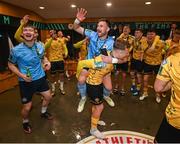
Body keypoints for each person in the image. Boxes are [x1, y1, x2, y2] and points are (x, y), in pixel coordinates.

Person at [8, 24, 53, 134]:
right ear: (23, 34)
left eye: (30, 30)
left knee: (48, 97)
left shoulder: (40, 46)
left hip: (41, 78)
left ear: (34, 34)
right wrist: (22, 76)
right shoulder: (16, 50)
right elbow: (10, 65)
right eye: (25, 30)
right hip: (26, 81)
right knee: (27, 108)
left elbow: (43, 57)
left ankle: (43, 112)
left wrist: (46, 62)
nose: (28, 32)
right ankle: (25, 121)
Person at [73, 8, 116, 112]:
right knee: (81, 80)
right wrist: (77, 20)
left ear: (107, 29)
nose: (98, 28)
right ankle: (83, 98)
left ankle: (106, 96)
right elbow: (76, 28)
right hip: (89, 63)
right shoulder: (92, 34)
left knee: (109, 88)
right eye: (98, 26)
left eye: (101, 26)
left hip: (103, 67)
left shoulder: (112, 41)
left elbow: (118, 55)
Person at [86, 39, 128, 139]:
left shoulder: (112, 54)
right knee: (99, 107)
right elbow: (99, 62)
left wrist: (108, 85)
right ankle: (93, 129)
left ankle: (95, 119)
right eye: (126, 53)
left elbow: (122, 61)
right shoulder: (103, 58)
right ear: (118, 52)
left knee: (96, 106)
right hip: (93, 84)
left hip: (100, 80)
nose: (127, 55)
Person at [154, 31, 180, 142]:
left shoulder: (172, 59)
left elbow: (158, 87)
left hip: (175, 118)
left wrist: (173, 81)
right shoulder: (168, 43)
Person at [45, 30, 68, 96]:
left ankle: (61, 88)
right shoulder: (48, 40)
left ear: (56, 34)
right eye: (51, 33)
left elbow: (65, 47)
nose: (53, 34)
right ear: (50, 34)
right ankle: (53, 89)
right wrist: (51, 39)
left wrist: (66, 53)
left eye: (54, 33)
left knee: (61, 75)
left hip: (60, 60)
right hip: (52, 61)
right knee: (52, 76)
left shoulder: (60, 40)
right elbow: (45, 47)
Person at [113, 25, 134, 96]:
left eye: (127, 29)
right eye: (124, 28)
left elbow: (131, 48)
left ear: (129, 30)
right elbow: (115, 47)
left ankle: (122, 87)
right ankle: (116, 85)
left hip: (125, 59)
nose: (125, 29)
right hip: (118, 59)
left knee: (124, 75)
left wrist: (125, 55)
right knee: (116, 74)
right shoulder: (118, 38)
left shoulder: (132, 39)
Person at [129, 28, 148, 96]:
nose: (136, 34)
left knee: (138, 75)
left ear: (141, 34)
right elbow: (131, 47)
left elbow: (143, 49)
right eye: (135, 32)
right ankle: (133, 85)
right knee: (131, 73)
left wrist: (141, 59)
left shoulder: (144, 40)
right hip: (134, 59)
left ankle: (138, 88)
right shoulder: (134, 39)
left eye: (138, 32)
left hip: (140, 60)